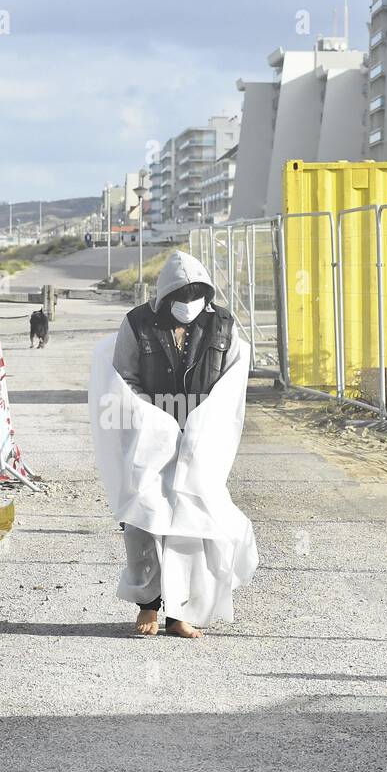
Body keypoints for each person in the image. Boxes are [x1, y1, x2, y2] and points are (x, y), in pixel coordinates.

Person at [98, 250, 258, 638]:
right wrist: (151, 419)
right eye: (179, 296)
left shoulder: (223, 324)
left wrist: (206, 422)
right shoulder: (138, 324)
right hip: (148, 436)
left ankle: (179, 613)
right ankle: (147, 605)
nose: (188, 304)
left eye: (195, 294)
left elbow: (233, 379)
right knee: (144, 519)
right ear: (164, 295)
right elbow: (122, 377)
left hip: (201, 439)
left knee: (192, 524)